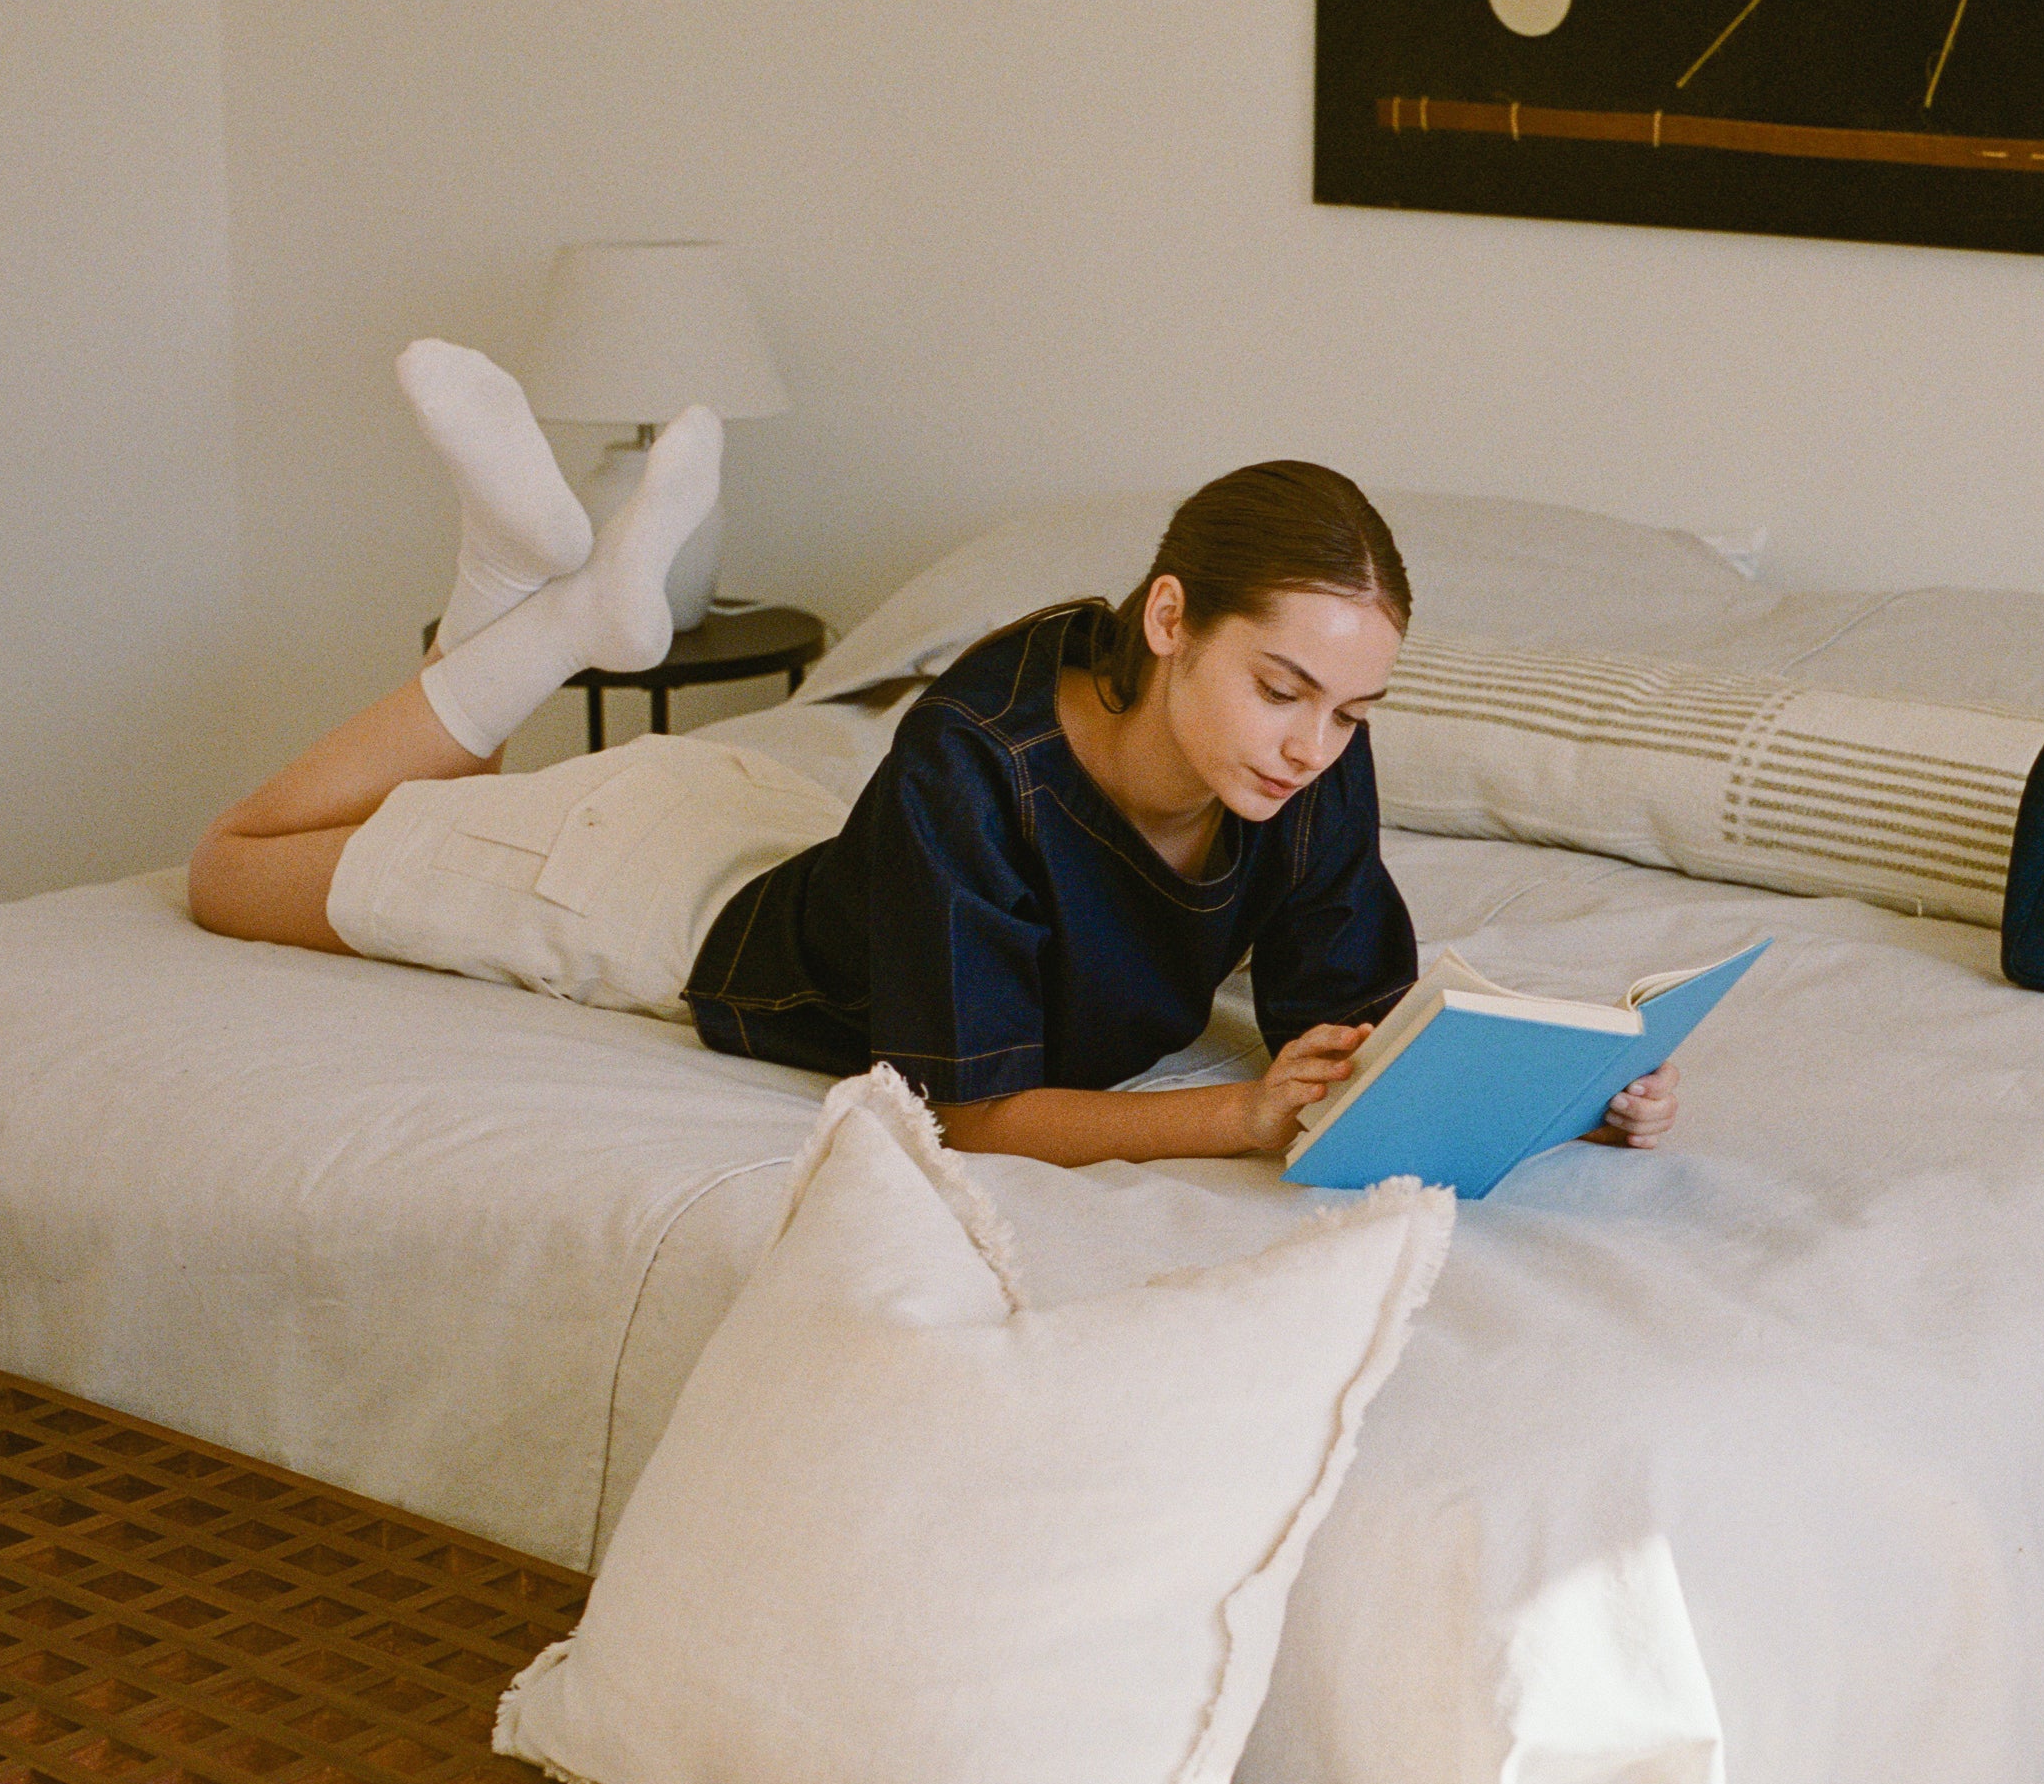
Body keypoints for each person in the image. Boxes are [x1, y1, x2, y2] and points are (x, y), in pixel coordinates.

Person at [189, 342, 1681, 1166]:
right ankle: (556, 619)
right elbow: (965, 1113)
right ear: (1169, 616)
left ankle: (518, 587)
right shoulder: (981, 750)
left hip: (814, 838)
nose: (1313, 745)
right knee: (231, 865)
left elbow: (1344, 1027)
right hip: (646, 895)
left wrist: (1559, 1093)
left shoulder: (1300, 762)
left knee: (383, 822)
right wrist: (1230, 1115)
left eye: (1350, 710)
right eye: (1282, 687)